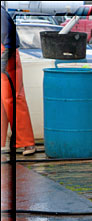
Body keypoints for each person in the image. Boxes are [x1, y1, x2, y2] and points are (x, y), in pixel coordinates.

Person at [1, 5, 36, 155]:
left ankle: (27, 143)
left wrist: (3, 61)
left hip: (6, 57)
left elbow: (7, 38)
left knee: (13, 100)